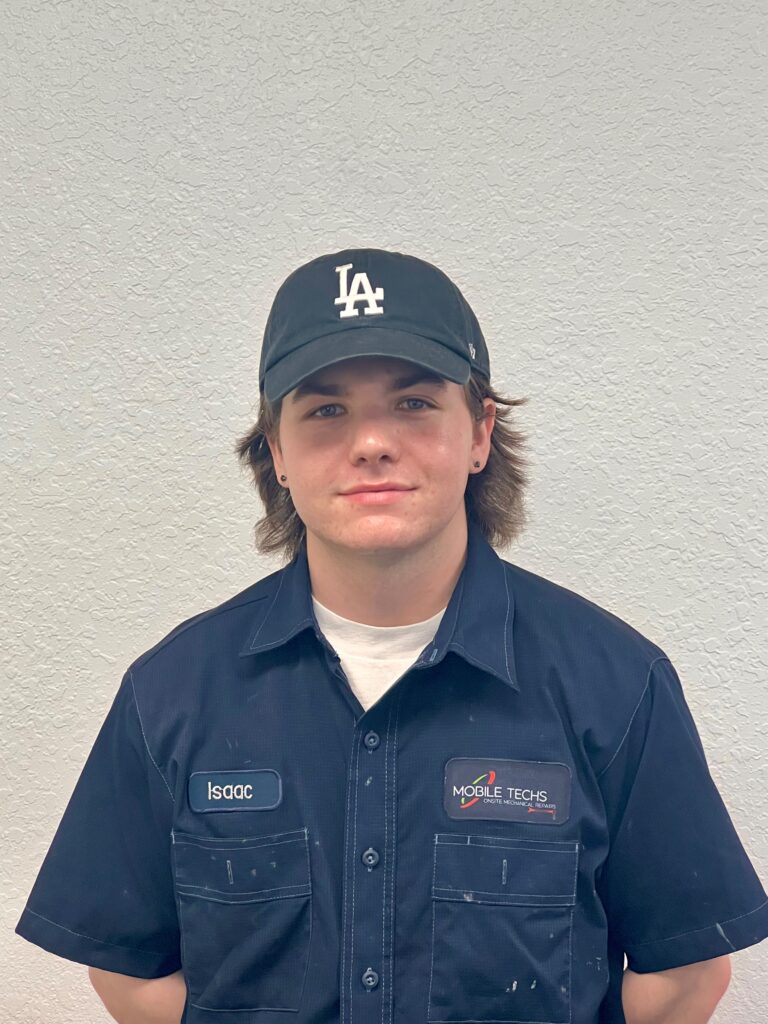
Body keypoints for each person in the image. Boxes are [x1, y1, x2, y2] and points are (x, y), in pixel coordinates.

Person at [15, 247, 768, 1024]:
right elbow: (128, 970)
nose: (372, 442)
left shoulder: (616, 685)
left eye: (413, 403)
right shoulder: (172, 693)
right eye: (326, 411)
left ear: (479, 433)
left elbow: (685, 976)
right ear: (276, 450)